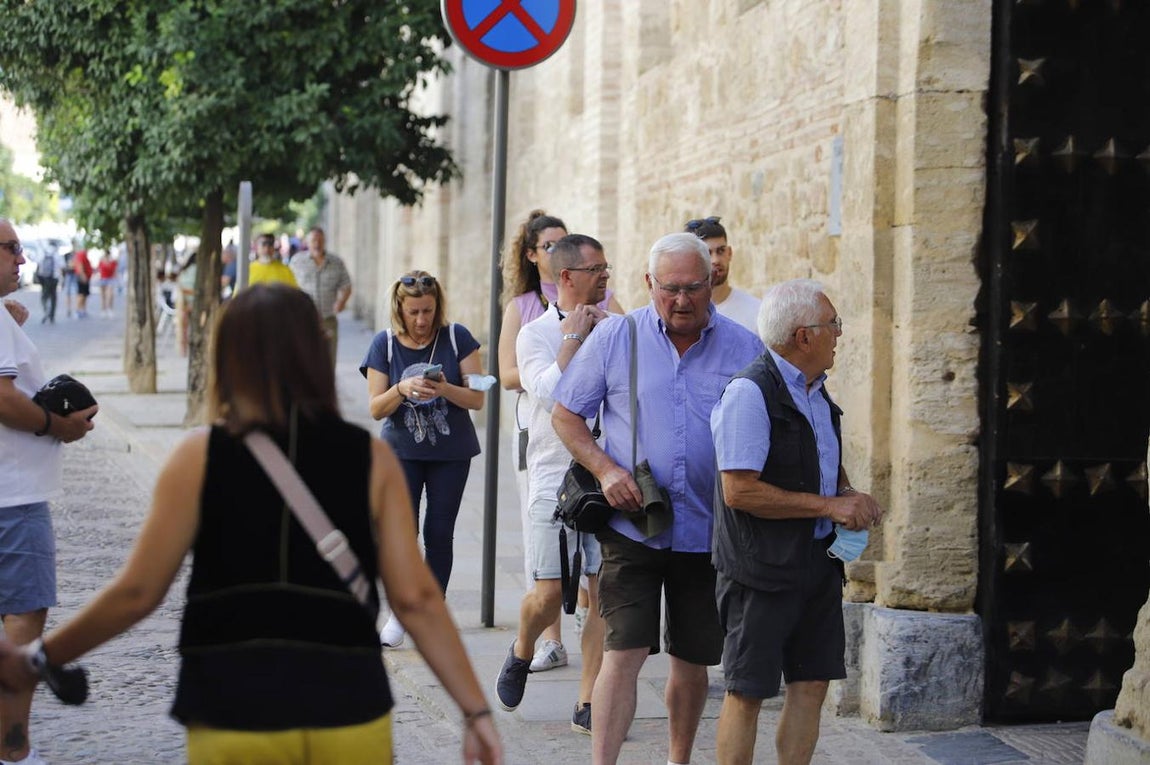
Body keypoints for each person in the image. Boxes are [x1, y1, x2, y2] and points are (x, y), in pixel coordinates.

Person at [0, 284, 502, 765]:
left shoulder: (198, 458)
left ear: (228, 357)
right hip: (348, 706)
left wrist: (38, 659)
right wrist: (474, 710)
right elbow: (415, 598)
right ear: (315, 352)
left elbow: (137, 592)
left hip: (231, 708)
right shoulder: (371, 460)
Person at [551, 233, 764, 765]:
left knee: (693, 660)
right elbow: (565, 415)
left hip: (710, 528)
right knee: (622, 652)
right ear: (650, 285)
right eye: (670, 289)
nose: (682, 300)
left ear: (712, 282)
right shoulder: (616, 337)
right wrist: (604, 470)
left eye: (694, 287)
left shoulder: (744, 346)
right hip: (632, 524)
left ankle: (678, 760)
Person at [710, 279, 882, 765]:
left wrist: (846, 494)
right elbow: (738, 490)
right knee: (747, 691)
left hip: (816, 564)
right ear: (803, 336)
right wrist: (829, 507)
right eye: (833, 325)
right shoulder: (750, 392)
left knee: (811, 684)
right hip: (758, 570)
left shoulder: (816, 390)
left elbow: (820, 459)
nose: (839, 335)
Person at [495, 235, 612, 734]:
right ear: (566, 277)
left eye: (607, 268)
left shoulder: (615, 330)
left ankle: (590, 701)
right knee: (547, 594)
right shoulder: (535, 333)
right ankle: (523, 647)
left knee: (602, 591)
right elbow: (549, 391)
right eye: (596, 269)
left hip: (606, 473)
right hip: (552, 475)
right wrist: (572, 338)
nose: (606, 276)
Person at [0, 220, 98, 765]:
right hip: (11, 497)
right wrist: (55, 426)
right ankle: (13, 752)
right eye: (12, 248)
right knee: (23, 621)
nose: (22, 258)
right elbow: (3, 399)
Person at [360, 271, 485, 648]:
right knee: (401, 535)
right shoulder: (383, 345)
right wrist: (401, 387)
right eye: (413, 311)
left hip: (451, 453)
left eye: (428, 310)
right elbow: (376, 409)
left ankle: (430, 614)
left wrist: (443, 387)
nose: (421, 319)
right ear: (399, 308)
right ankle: (401, 610)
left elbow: (477, 399)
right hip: (401, 453)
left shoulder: (456, 337)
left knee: (438, 533)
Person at [684, 216, 760, 333]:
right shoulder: (681, 313)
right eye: (707, 253)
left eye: (721, 251)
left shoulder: (756, 311)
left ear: (729, 253)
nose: (715, 260)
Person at [290, 227, 352, 367]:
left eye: (320, 240)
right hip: (304, 320)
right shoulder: (297, 261)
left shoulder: (336, 262)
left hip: (328, 319)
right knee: (304, 360)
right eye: (313, 240)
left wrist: (341, 301)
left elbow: (346, 285)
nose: (317, 243)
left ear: (324, 241)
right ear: (307, 242)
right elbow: (290, 286)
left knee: (329, 361)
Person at [34, 245, 61, 325]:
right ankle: (52, 315)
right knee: (53, 297)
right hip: (54, 277)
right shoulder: (57, 253)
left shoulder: (42, 251)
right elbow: (61, 266)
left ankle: (46, 310)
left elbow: (37, 262)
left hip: (45, 278)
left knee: (44, 296)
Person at [71, 247, 93, 319]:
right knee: (81, 294)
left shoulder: (83, 254)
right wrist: (83, 275)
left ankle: (83, 310)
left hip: (85, 276)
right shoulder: (81, 254)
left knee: (84, 295)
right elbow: (79, 265)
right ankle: (78, 311)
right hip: (82, 277)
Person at [96, 250, 118, 317]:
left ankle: (110, 309)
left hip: (110, 279)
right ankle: (103, 310)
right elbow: (99, 270)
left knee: (110, 295)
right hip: (102, 279)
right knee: (103, 296)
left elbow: (114, 271)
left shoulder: (113, 262)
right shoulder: (101, 261)